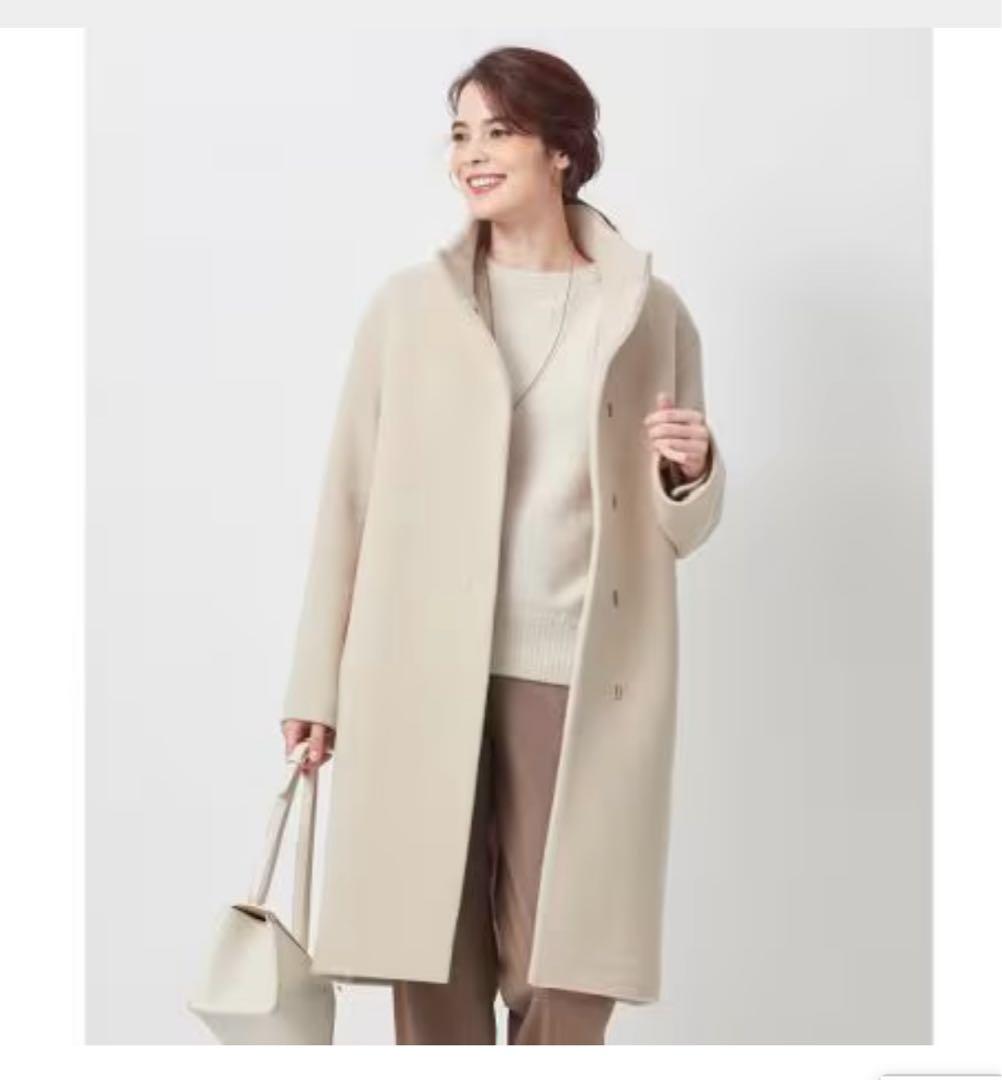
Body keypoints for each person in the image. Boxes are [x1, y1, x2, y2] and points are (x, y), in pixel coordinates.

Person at [280, 45, 723, 1045]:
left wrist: (690, 472)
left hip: (577, 668)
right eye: (460, 134)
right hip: (416, 663)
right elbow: (346, 501)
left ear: (563, 149)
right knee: (429, 953)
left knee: (564, 961)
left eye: (500, 131)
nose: (471, 155)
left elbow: (682, 526)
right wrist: (316, 684)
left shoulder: (648, 313)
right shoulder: (409, 308)